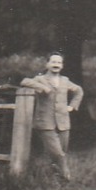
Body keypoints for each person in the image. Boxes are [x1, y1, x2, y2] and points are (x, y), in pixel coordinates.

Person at [19, 52, 84, 181]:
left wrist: (72, 106)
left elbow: (78, 91)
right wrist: (42, 87)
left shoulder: (65, 80)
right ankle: (67, 178)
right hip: (45, 122)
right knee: (57, 153)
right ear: (47, 64)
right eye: (53, 62)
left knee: (60, 153)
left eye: (59, 63)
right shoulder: (40, 79)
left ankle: (53, 178)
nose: (56, 65)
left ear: (62, 66)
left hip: (63, 122)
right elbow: (24, 81)